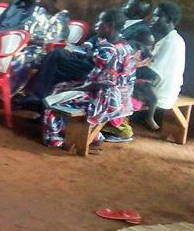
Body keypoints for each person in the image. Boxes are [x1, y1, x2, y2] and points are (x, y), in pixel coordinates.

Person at [42, 9, 136, 148]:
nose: (97, 25)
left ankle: (57, 140)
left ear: (110, 25)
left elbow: (101, 83)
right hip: (121, 99)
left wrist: (76, 87)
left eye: (100, 21)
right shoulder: (126, 47)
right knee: (60, 89)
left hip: (105, 100)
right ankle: (92, 135)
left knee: (52, 106)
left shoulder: (110, 51)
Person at [134, 1, 185, 130]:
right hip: (154, 88)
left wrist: (125, 70)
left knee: (110, 85)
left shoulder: (173, 42)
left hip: (159, 95)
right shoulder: (167, 39)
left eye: (157, 16)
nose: (152, 19)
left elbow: (151, 72)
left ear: (168, 20)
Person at [10, 0, 69, 95]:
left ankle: (11, 92)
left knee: (19, 58)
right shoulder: (38, 12)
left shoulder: (61, 18)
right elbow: (26, 26)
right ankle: (3, 89)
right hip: (27, 46)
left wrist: (30, 40)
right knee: (7, 54)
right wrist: (22, 34)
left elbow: (57, 42)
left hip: (44, 53)